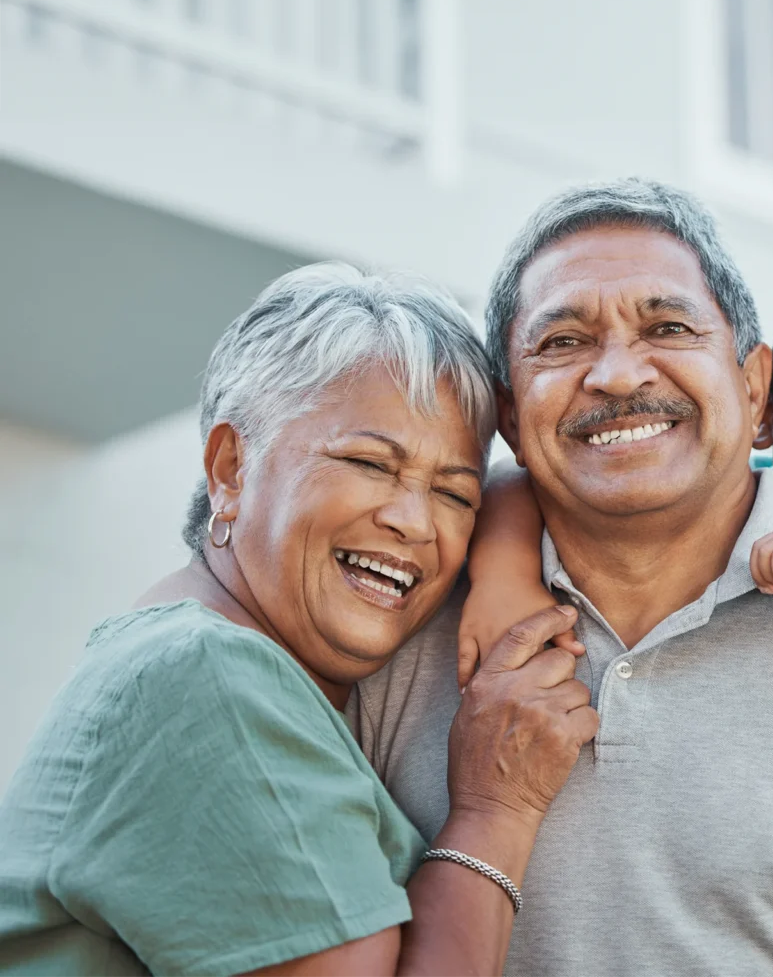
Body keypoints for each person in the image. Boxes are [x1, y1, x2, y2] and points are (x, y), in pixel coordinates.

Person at [353, 180, 773, 976]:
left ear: (753, 385)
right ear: (508, 416)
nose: (617, 375)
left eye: (668, 327)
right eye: (562, 341)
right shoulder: (397, 631)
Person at [0, 263, 598, 977]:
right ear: (230, 469)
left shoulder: (196, 656)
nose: (414, 522)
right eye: (369, 463)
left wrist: (507, 558)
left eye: (453, 494)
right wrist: (496, 810)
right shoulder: (207, 676)